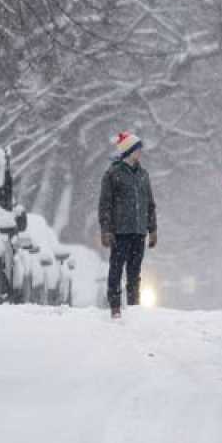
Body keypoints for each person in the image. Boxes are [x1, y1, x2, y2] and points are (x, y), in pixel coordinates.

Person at [98, 130, 157, 318]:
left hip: (139, 231)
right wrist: (106, 230)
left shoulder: (144, 174)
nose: (140, 152)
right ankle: (115, 305)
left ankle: (133, 306)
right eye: (137, 149)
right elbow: (105, 204)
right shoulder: (112, 173)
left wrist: (152, 229)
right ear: (129, 150)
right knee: (116, 268)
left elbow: (150, 203)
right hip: (120, 231)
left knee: (134, 271)